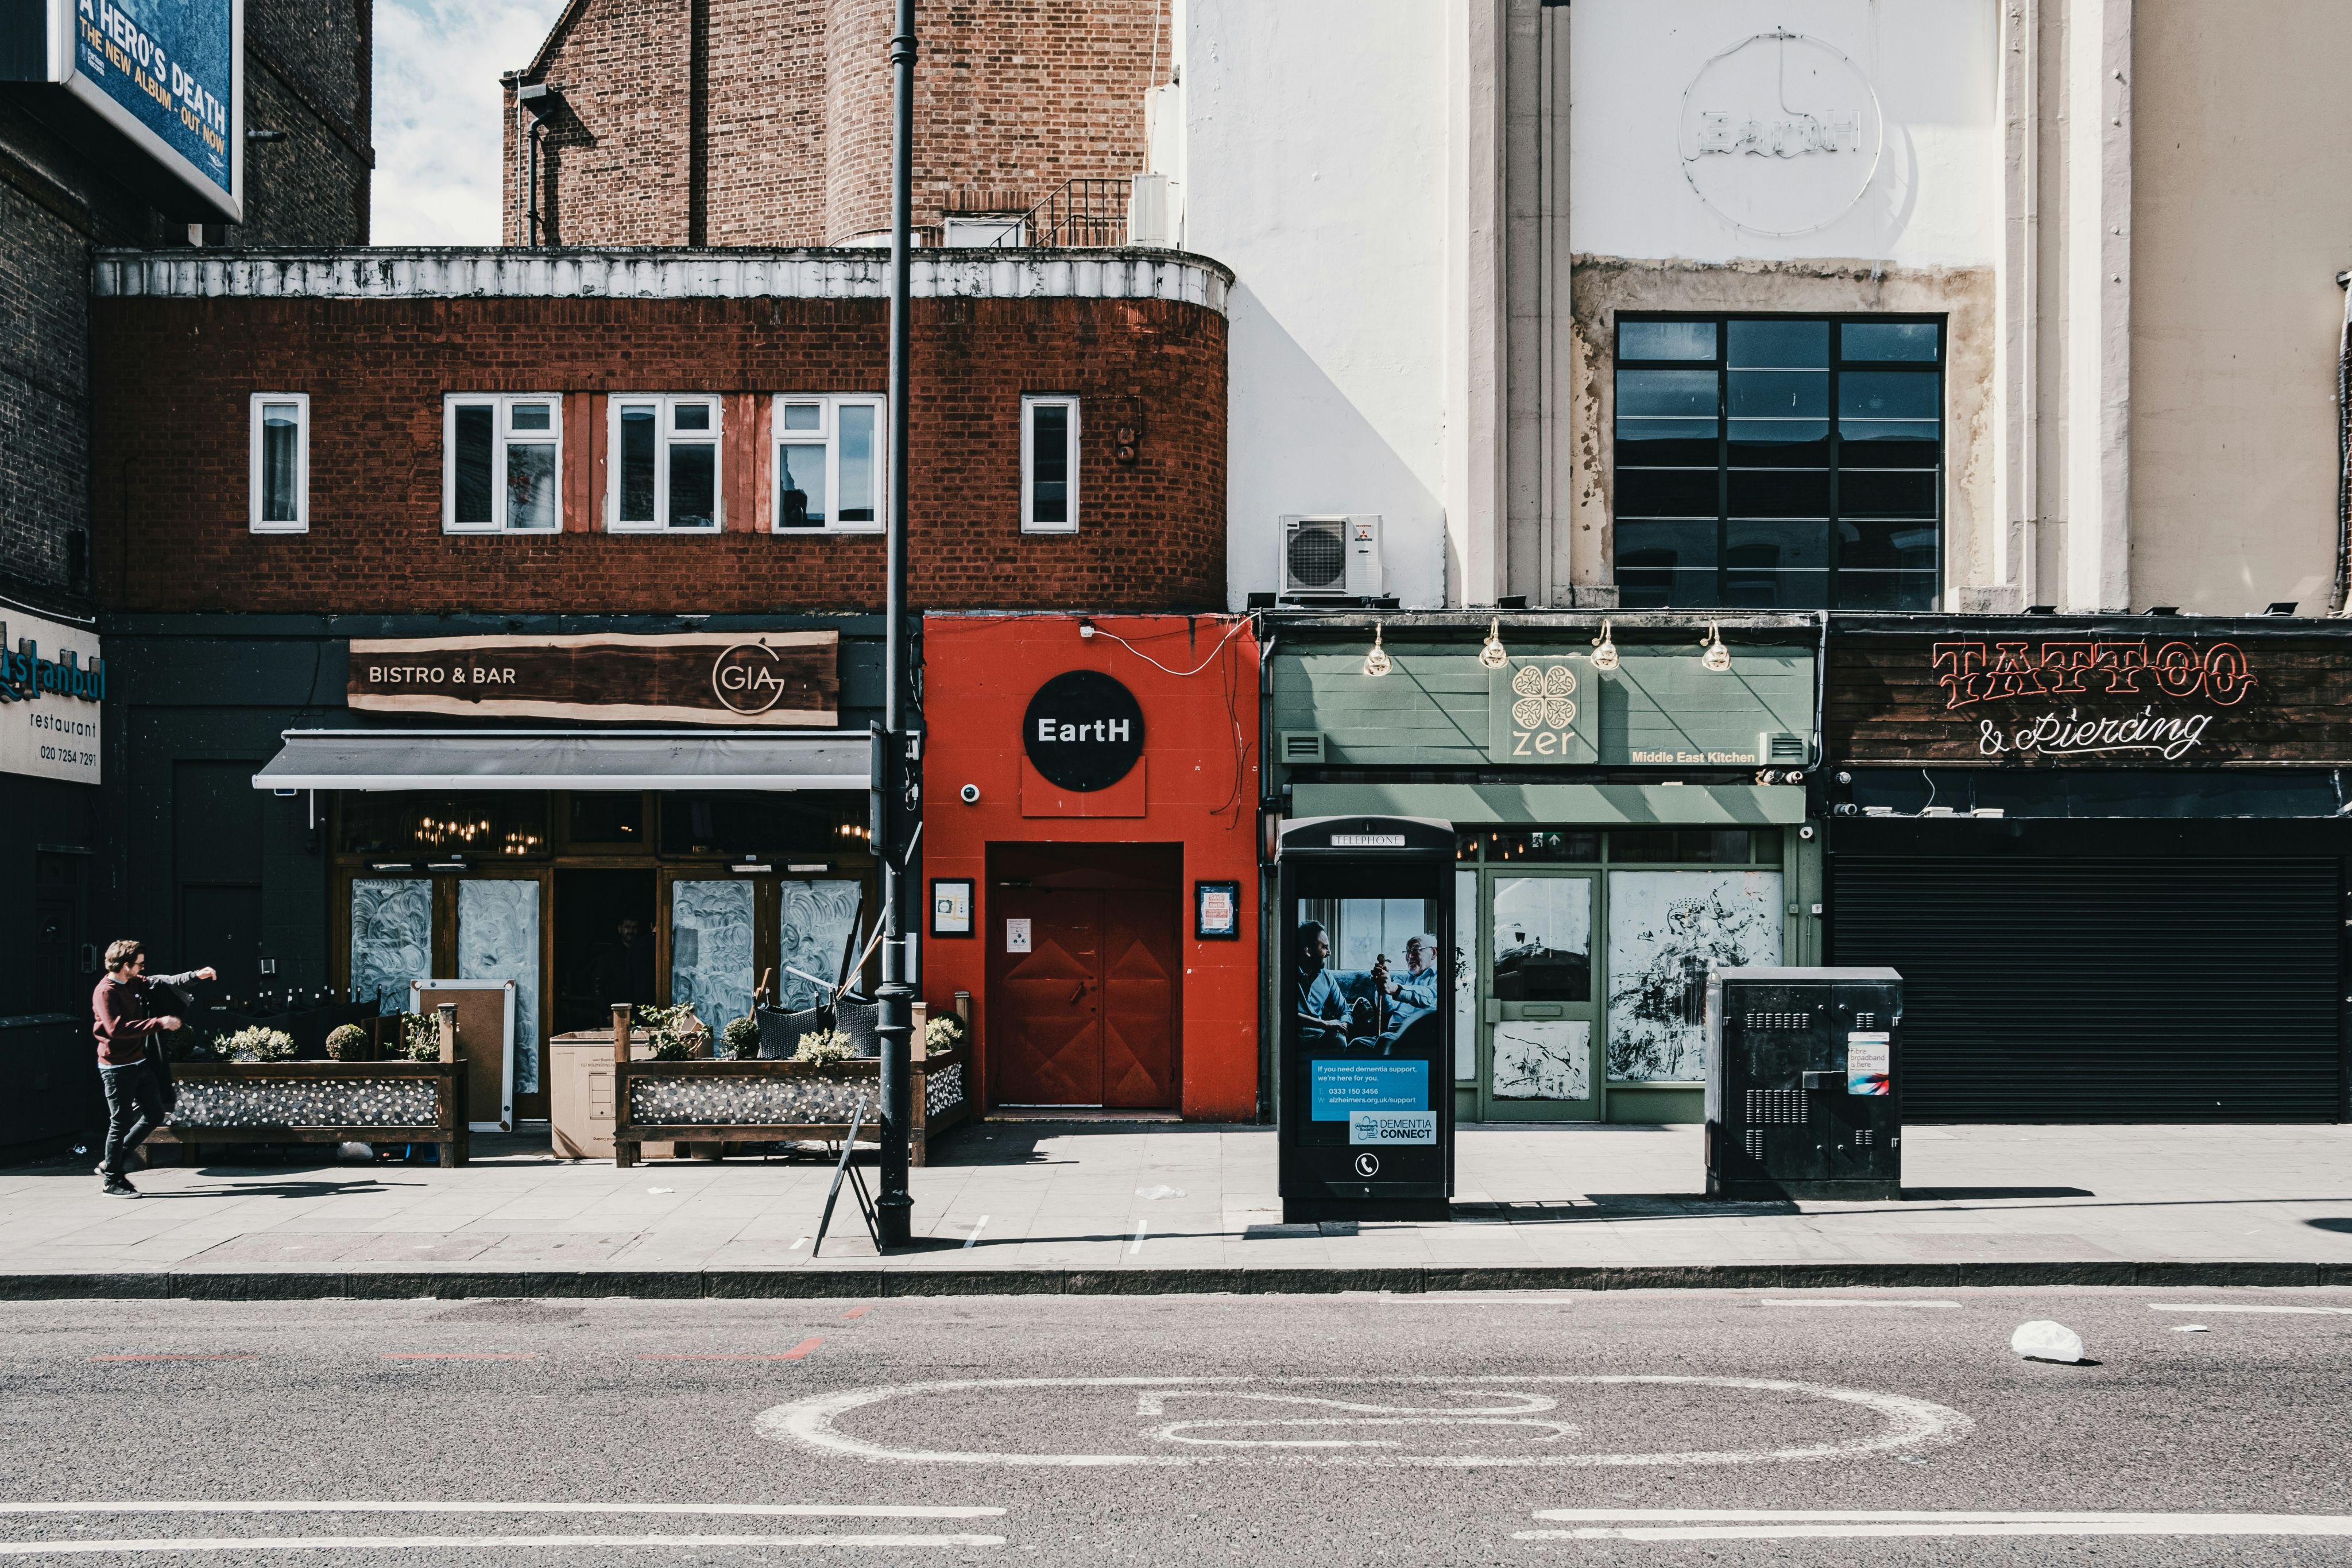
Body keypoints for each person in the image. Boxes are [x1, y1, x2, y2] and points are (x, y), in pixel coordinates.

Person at [90, 939, 215, 1197]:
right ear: (126, 965)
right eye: (139, 964)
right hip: (116, 1067)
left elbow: (162, 981)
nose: (142, 968)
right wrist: (159, 1023)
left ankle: (111, 1163)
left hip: (138, 1061)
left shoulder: (134, 982)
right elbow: (115, 1028)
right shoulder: (106, 991)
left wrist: (195, 976)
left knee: (154, 1114)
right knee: (120, 1121)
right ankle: (112, 1180)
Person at [1294, 921, 1389, 1052]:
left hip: (1319, 1037)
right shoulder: (1285, 976)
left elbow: (1344, 1011)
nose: (1329, 952)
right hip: (1292, 1037)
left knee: (1338, 1039)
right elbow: (1285, 1014)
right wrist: (1324, 1024)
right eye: (1324, 947)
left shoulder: (1326, 978)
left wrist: (1343, 1025)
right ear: (1308, 951)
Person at [588, 916, 656, 1010]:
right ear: (620, 929)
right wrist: (606, 1012)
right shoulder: (610, 956)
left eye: (635, 928)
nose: (631, 931)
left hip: (640, 1009)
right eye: (627, 927)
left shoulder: (644, 953)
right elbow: (597, 985)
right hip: (617, 1009)